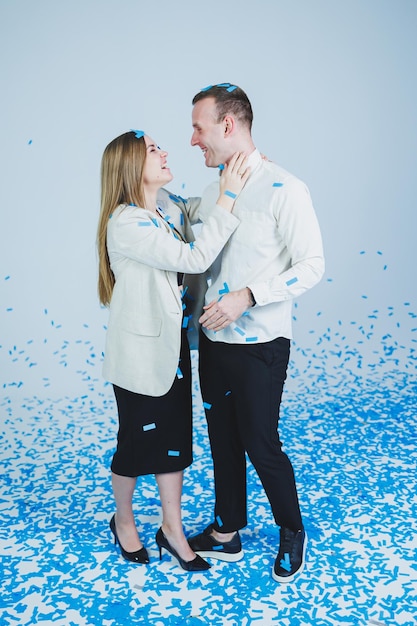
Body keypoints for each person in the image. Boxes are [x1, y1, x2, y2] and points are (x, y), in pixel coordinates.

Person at [187, 84, 325, 582]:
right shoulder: (210, 193)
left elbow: (313, 266)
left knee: (259, 442)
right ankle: (227, 531)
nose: (192, 139)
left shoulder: (286, 187)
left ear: (228, 125)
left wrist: (247, 295)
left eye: (199, 127)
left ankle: (292, 529)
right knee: (222, 440)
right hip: (212, 346)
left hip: (261, 345)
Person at [97, 129, 249, 571]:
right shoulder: (126, 223)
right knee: (135, 445)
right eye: (152, 149)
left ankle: (172, 529)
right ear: (129, 166)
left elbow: (205, 208)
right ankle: (123, 520)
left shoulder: (167, 207)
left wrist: (235, 180)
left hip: (174, 349)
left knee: (175, 446)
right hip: (140, 357)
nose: (165, 152)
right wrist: (230, 194)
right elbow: (196, 257)